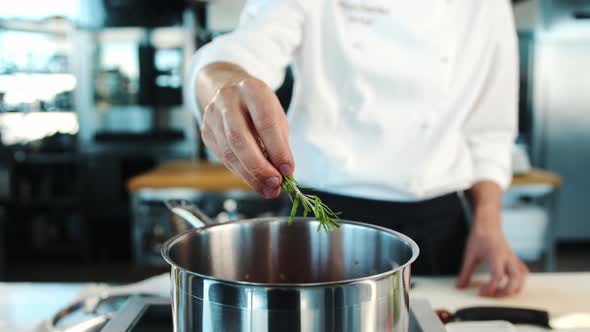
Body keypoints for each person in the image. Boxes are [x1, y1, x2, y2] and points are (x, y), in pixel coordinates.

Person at [185, 0, 528, 297]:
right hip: (322, 224)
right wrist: (221, 86)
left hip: (436, 227)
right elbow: (243, 50)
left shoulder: (486, 6)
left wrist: (488, 224)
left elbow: (489, 130)